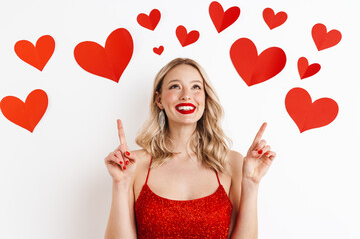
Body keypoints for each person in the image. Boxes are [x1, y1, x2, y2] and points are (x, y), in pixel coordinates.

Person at [104, 58, 276, 239]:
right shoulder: (134, 164)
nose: (186, 95)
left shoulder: (231, 163)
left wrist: (252, 183)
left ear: (205, 98)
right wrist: (120, 184)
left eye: (196, 87)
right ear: (159, 99)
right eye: (175, 87)